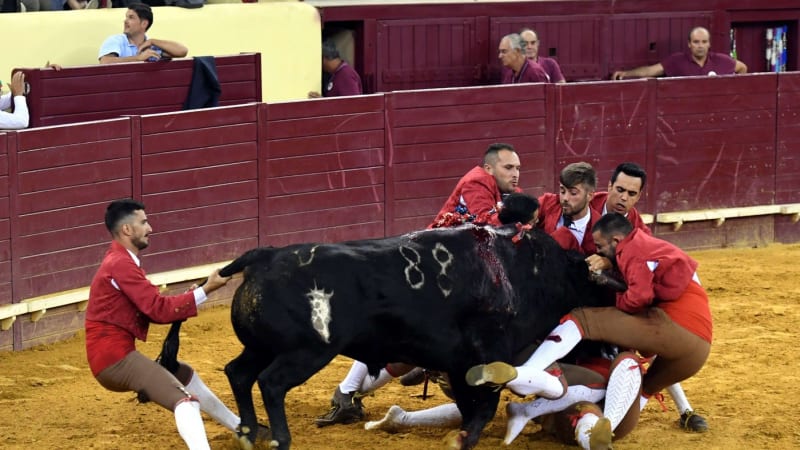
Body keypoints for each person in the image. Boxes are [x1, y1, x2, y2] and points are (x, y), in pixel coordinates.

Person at [467, 212, 713, 445]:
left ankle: (526, 374)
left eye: (601, 248)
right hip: (696, 349)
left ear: (616, 240)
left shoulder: (633, 248)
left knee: (584, 320)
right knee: (639, 383)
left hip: (678, 322)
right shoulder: (641, 240)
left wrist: (613, 289)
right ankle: (605, 431)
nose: (599, 252)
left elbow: (639, 298)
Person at [85, 199, 242, 450]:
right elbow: (157, 310)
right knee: (186, 402)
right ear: (127, 230)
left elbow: (151, 306)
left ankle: (241, 428)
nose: (150, 228)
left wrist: (198, 292)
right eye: (144, 222)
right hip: (114, 359)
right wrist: (208, 290)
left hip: (111, 355)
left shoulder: (120, 260)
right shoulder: (120, 264)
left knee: (183, 374)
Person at [585, 162, 708, 432]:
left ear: (639, 197)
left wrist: (610, 265)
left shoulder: (639, 229)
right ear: (608, 187)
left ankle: (684, 408)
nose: (624, 198)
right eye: (619, 190)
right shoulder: (585, 205)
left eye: (631, 194)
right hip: (578, 286)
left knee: (652, 339)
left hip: (616, 292)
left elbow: (639, 282)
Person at [430, 142, 522, 227]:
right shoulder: (476, 182)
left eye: (517, 168)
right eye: (508, 167)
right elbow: (485, 224)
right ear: (488, 169)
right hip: (440, 242)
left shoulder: (513, 190)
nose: (515, 174)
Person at [612, 26, 747, 79]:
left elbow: (742, 68)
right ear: (689, 44)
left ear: (709, 43)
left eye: (704, 42)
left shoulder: (720, 60)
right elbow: (651, 71)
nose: (700, 46)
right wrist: (626, 74)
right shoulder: (677, 60)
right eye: (696, 42)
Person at [537, 161, 599, 254]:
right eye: (562, 191)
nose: (565, 198)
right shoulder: (548, 203)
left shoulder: (598, 227)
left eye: (573, 193)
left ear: (590, 196)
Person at [98, 3, 188, 64]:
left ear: (144, 23)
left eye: (131, 17)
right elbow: (105, 61)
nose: (125, 21)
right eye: (126, 17)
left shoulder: (151, 46)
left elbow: (182, 51)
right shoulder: (116, 40)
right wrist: (138, 58)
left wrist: (152, 41)